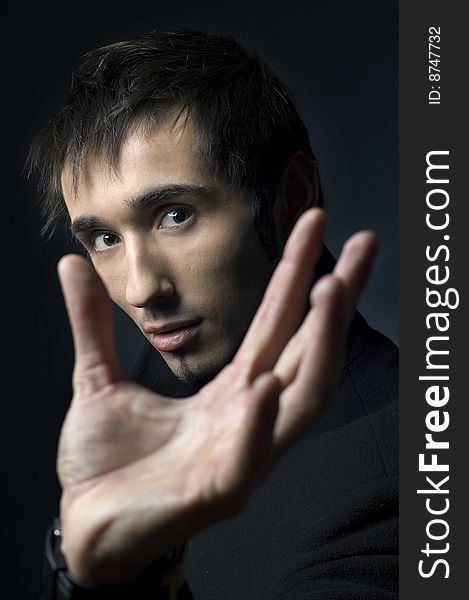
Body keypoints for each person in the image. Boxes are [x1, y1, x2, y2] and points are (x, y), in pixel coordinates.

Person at [28, 30, 398, 599]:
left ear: (292, 194)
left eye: (175, 215)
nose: (141, 288)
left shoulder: (403, 471)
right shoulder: (164, 382)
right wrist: (89, 567)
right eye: (103, 237)